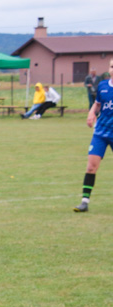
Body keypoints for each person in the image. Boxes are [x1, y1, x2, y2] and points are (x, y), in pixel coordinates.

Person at [74, 59, 113, 212]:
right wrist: (91, 114)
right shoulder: (103, 85)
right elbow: (97, 104)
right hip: (101, 133)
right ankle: (84, 202)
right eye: (111, 66)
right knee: (91, 167)